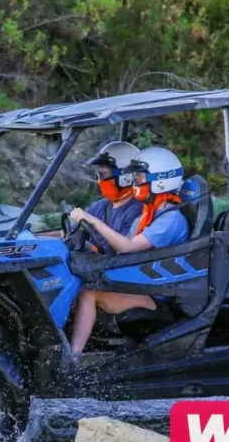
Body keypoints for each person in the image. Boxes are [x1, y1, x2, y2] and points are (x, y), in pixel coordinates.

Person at [68, 146, 189, 354]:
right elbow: (123, 252)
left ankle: (72, 358)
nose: (135, 184)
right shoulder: (149, 213)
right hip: (139, 285)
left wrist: (92, 221)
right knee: (75, 284)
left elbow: (128, 247)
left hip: (159, 297)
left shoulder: (170, 219)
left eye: (140, 178)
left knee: (89, 293)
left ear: (161, 179)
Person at [84, 141, 143, 253]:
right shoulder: (99, 206)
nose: (100, 179)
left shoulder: (138, 210)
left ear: (126, 177)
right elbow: (66, 233)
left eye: (105, 173)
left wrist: (92, 221)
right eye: (99, 173)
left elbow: (122, 252)